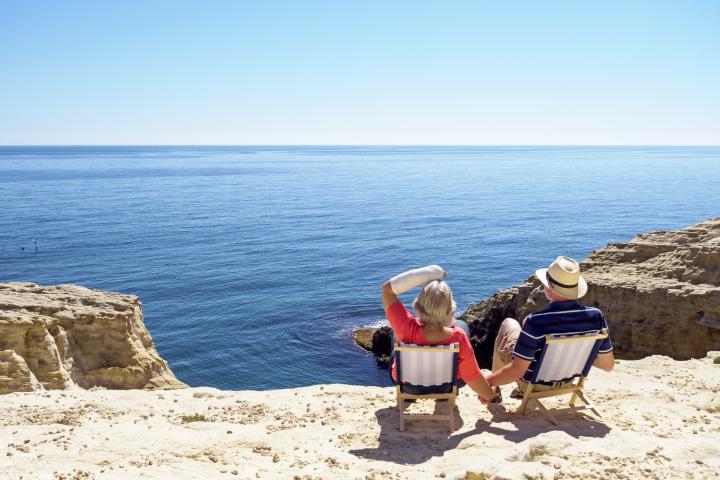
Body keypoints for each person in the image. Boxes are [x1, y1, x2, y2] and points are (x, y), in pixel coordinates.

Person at [485, 256, 614, 402]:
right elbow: (607, 365)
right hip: (568, 381)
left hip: (533, 384)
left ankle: (493, 390)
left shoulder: (535, 321)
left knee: (509, 323)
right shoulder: (596, 317)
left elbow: (517, 370)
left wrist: (487, 382)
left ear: (548, 287)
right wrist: (577, 355)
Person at [382, 265, 496, 402]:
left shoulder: (405, 328)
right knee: (463, 326)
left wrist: (428, 274)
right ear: (450, 309)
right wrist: (490, 396)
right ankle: (443, 398)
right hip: (446, 386)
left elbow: (387, 290)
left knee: (396, 335)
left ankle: (409, 398)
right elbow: (473, 376)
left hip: (407, 385)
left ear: (418, 306)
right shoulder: (458, 337)